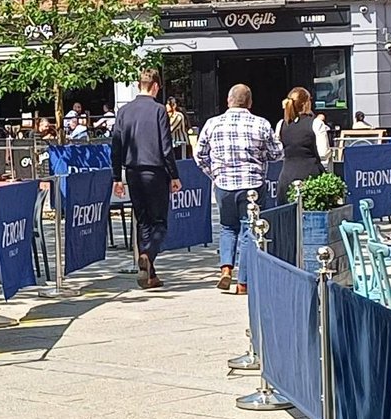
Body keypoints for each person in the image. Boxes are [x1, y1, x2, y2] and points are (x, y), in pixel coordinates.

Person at [195, 83, 284, 293]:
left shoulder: (212, 124)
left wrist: (214, 174)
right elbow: (277, 153)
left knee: (227, 226)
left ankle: (226, 268)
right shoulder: (260, 123)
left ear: (228, 100)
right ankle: (243, 282)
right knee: (248, 230)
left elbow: (199, 155)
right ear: (250, 102)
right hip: (252, 185)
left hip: (224, 184)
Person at [111, 68, 181, 290]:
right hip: (155, 172)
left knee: (142, 221)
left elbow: (116, 145)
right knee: (159, 222)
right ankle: (147, 255)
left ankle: (150, 274)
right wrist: (174, 175)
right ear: (156, 86)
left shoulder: (124, 111)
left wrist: (116, 177)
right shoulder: (159, 110)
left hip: (132, 171)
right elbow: (166, 146)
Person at [275, 87, 329, 204]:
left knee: (286, 217)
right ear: (306, 103)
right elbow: (323, 153)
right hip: (311, 176)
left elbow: (278, 151)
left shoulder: (281, 124)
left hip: (286, 176)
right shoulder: (316, 123)